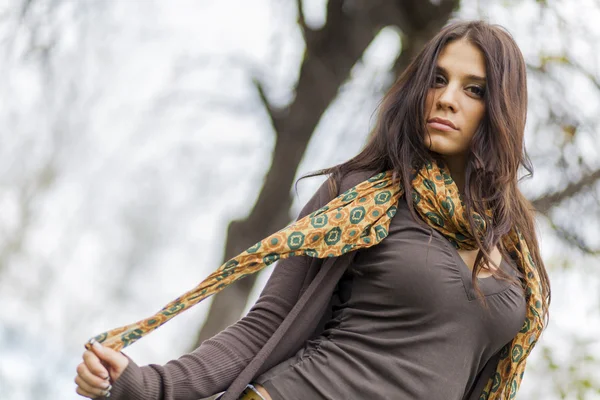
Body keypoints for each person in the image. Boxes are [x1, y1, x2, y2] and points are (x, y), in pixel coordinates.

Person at [75, 20, 551, 400]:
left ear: (502, 108)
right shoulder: (362, 196)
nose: (446, 98)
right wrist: (146, 386)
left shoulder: (516, 252)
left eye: (474, 89)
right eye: (439, 79)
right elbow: (264, 325)